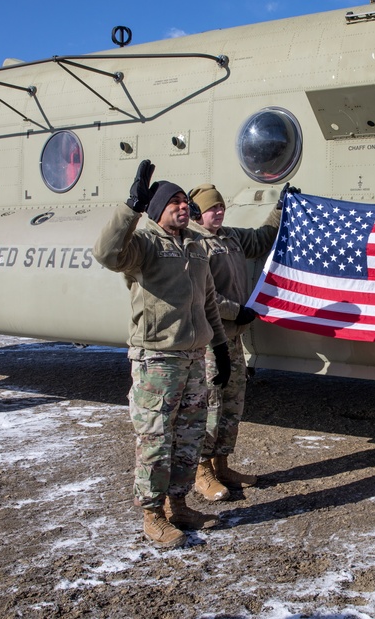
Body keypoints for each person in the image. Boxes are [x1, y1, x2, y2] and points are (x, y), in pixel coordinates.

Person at [92, 159, 232, 550]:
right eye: (173, 202)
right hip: (157, 360)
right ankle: (152, 515)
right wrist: (130, 207)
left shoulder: (197, 247)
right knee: (155, 439)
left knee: (188, 437)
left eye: (185, 201)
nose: (183, 206)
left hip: (193, 359)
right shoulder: (144, 245)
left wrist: (219, 347)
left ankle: (179, 505)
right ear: (156, 210)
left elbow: (207, 304)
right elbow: (105, 253)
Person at [187, 183, 288, 501]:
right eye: (211, 208)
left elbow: (260, 239)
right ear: (197, 213)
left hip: (232, 339)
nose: (218, 212)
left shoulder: (230, 236)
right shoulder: (192, 244)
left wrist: (281, 209)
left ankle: (222, 464)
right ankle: (201, 470)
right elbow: (201, 296)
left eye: (220, 207)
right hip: (210, 340)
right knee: (210, 405)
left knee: (232, 405)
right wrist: (237, 312)